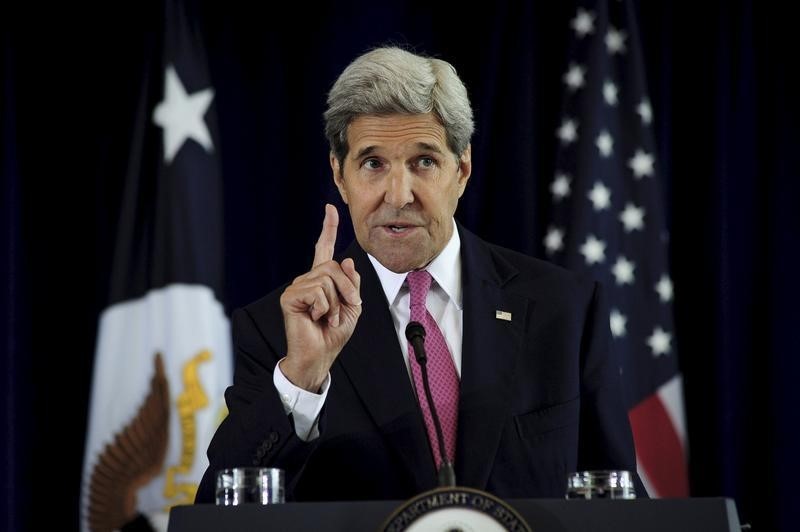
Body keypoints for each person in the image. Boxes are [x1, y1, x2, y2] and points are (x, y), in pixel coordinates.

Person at [195, 46, 640, 503]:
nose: (399, 194)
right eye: (373, 163)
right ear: (339, 175)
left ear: (461, 169)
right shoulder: (279, 330)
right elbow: (219, 509)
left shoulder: (563, 309)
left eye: (423, 162)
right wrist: (302, 380)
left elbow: (619, 503)